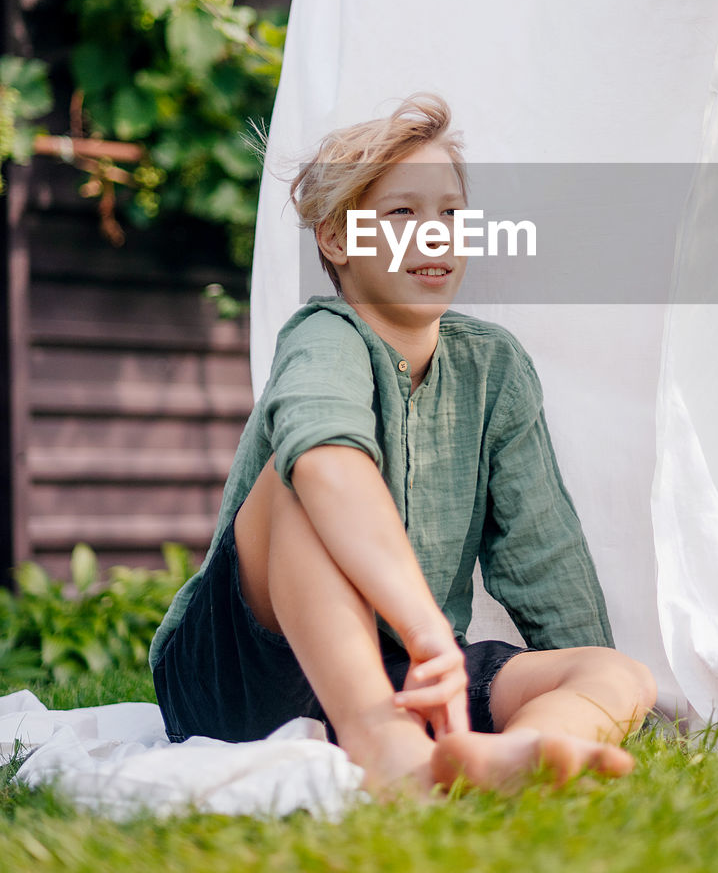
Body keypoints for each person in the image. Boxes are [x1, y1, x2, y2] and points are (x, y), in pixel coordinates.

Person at [150, 94, 656, 797]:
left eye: (450, 214)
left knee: (616, 674)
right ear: (335, 239)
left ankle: (521, 753)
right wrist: (424, 631)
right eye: (400, 215)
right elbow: (326, 467)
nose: (435, 236)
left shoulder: (494, 367)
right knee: (298, 475)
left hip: (407, 671)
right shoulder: (324, 335)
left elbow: (542, 551)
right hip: (246, 674)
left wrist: (583, 665)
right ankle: (386, 751)